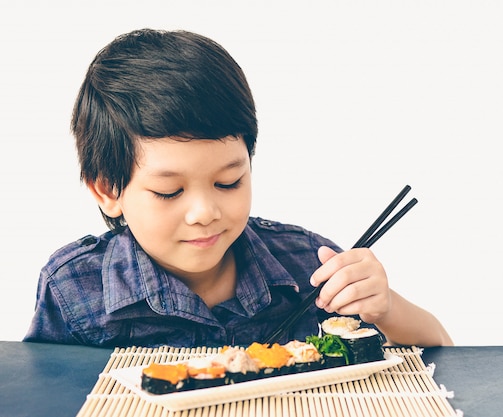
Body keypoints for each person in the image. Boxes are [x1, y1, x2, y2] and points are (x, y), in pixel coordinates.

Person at [24, 28, 452, 348]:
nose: (205, 211)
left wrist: (388, 308)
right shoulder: (74, 287)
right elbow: (45, 395)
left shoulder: (309, 267)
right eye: (170, 192)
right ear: (107, 190)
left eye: (228, 182)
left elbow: (441, 353)